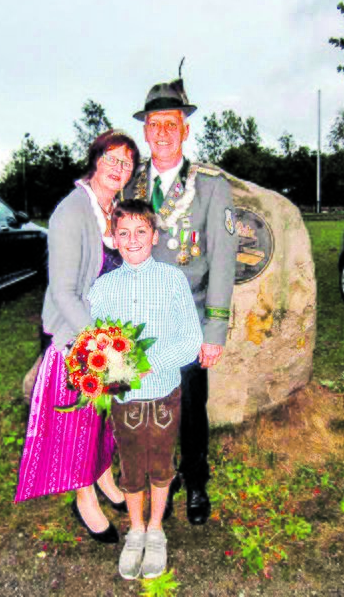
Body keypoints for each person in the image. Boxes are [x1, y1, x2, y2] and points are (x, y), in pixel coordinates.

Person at [14, 130, 140, 544]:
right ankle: (83, 497)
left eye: (127, 163)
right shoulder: (71, 212)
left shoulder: (115, 210)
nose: (119, 167)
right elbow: (64, 291)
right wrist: (99, 345)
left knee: (100, 420)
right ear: (96, 159)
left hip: (109, 337)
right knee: (77, 425)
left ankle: (102, 477)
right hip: (78, 337)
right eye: (112, 158)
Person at [125, 77, 238, 525]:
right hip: (139, 324)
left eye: (172, 124)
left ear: (185, 130)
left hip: (189, 320)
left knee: (191, 409)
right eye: (155, 124)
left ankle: (195, 480)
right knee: (147, 408)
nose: (163, 133)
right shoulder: (131, 186)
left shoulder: (210, 186)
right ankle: (160, 480)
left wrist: (215, 331)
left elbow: (225, 262)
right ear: (146, 132)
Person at [87, 199, 202, 579]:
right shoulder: (102, 289)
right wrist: (102, 368)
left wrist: (148, 363)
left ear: (154, 236)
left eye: (141, 232)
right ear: (114, 240)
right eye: (124, 233)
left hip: (164, 393)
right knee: (132, 467)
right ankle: (135, 529)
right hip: (124, 399)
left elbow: (190, 341)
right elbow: (93, 346)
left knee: (162, 464)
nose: (132, 239)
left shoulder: (172, 281)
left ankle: (156, 530)